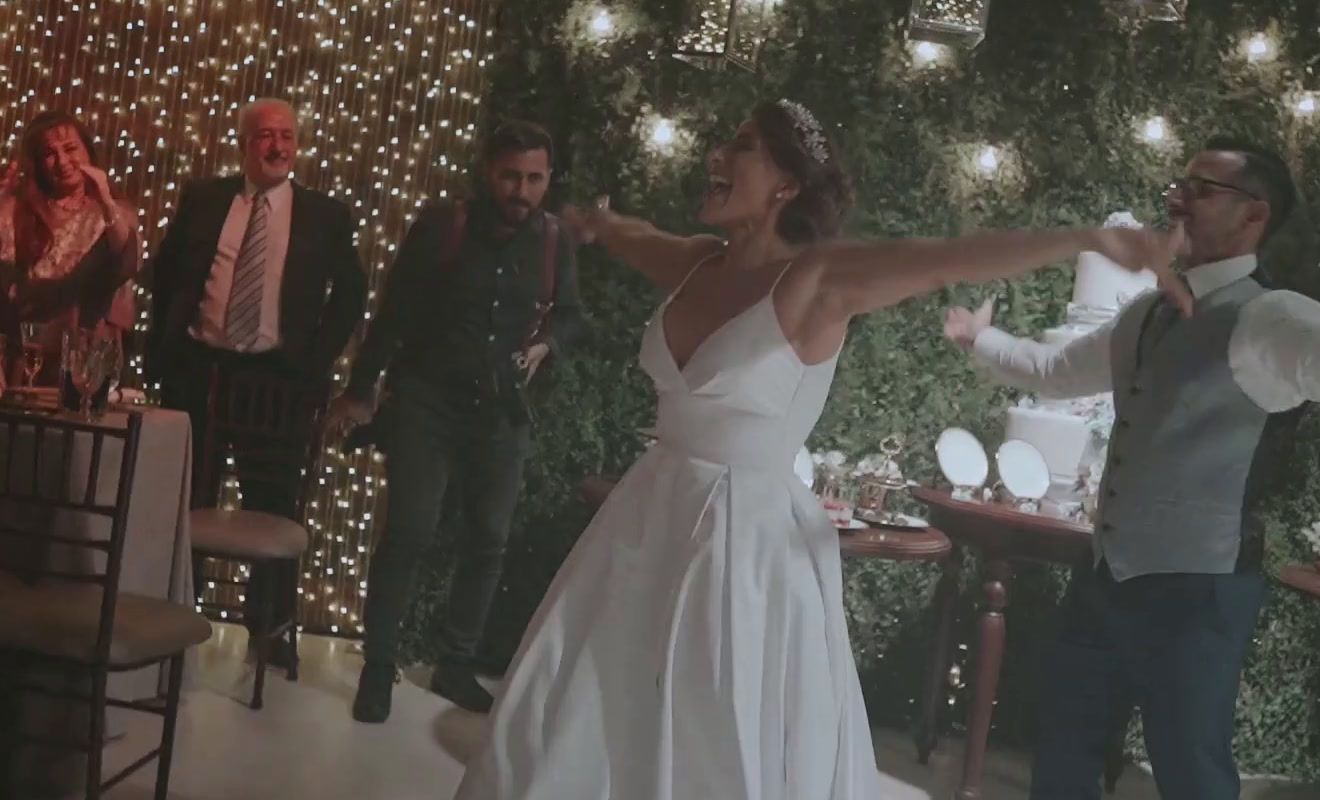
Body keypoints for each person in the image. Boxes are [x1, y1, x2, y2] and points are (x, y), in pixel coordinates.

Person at [452, 99, 1186, 800]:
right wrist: (597, 223)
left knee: (711, 726)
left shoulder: (818, 280)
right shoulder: (701, 263)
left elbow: (947, 257)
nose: (718, 153)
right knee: (584, 708)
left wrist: (1087, 240)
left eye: (741, 145)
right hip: (645, 519)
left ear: (785, 185)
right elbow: (633, 235)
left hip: (741, 546)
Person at [944, 137, 1320, 799]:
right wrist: (978, 339)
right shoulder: (1146, 310)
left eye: (1203, 188)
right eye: (1179, 182)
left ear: (1255, 217)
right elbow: (1054, 370)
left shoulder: (1273, 316)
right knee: (1064, 754)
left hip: (1200, 590)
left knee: (1190, 772)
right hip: (1109, 576)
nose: (1176, 197)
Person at [326, 120, 582, 722]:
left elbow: (572, 315)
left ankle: (455, 665)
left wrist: (549, 344)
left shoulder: (553, 239)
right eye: (511, 176)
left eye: (535, 179)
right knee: (409, 531)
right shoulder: (445, 226)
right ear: (489, 172)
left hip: (503, 409)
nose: (521, 190)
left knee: (488, 541)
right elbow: (394, 313)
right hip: (428, 400)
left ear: (547, 180)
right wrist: (361, 390)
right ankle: (379, 668)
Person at [147, 97, 366, 663]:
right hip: (200, 372)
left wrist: (314, 364)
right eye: (266, 136)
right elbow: (166, 274)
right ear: (245, 144)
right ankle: (174, 620)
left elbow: (350, 295)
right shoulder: (204, 199)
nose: (278, 147)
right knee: (185, 500)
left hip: (279, 381)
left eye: (288, 136)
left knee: (274, 502)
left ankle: (268, 633)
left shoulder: (326, 215)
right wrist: (162, 352)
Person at [0, 110, 140, 386]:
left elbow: (127, 262)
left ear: (87, 150)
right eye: (49, 154)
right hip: (29, 353)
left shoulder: (115, 213)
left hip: (87, 355)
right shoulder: (20, 210)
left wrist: (105, 199)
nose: (62, 161)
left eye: (70, 148)